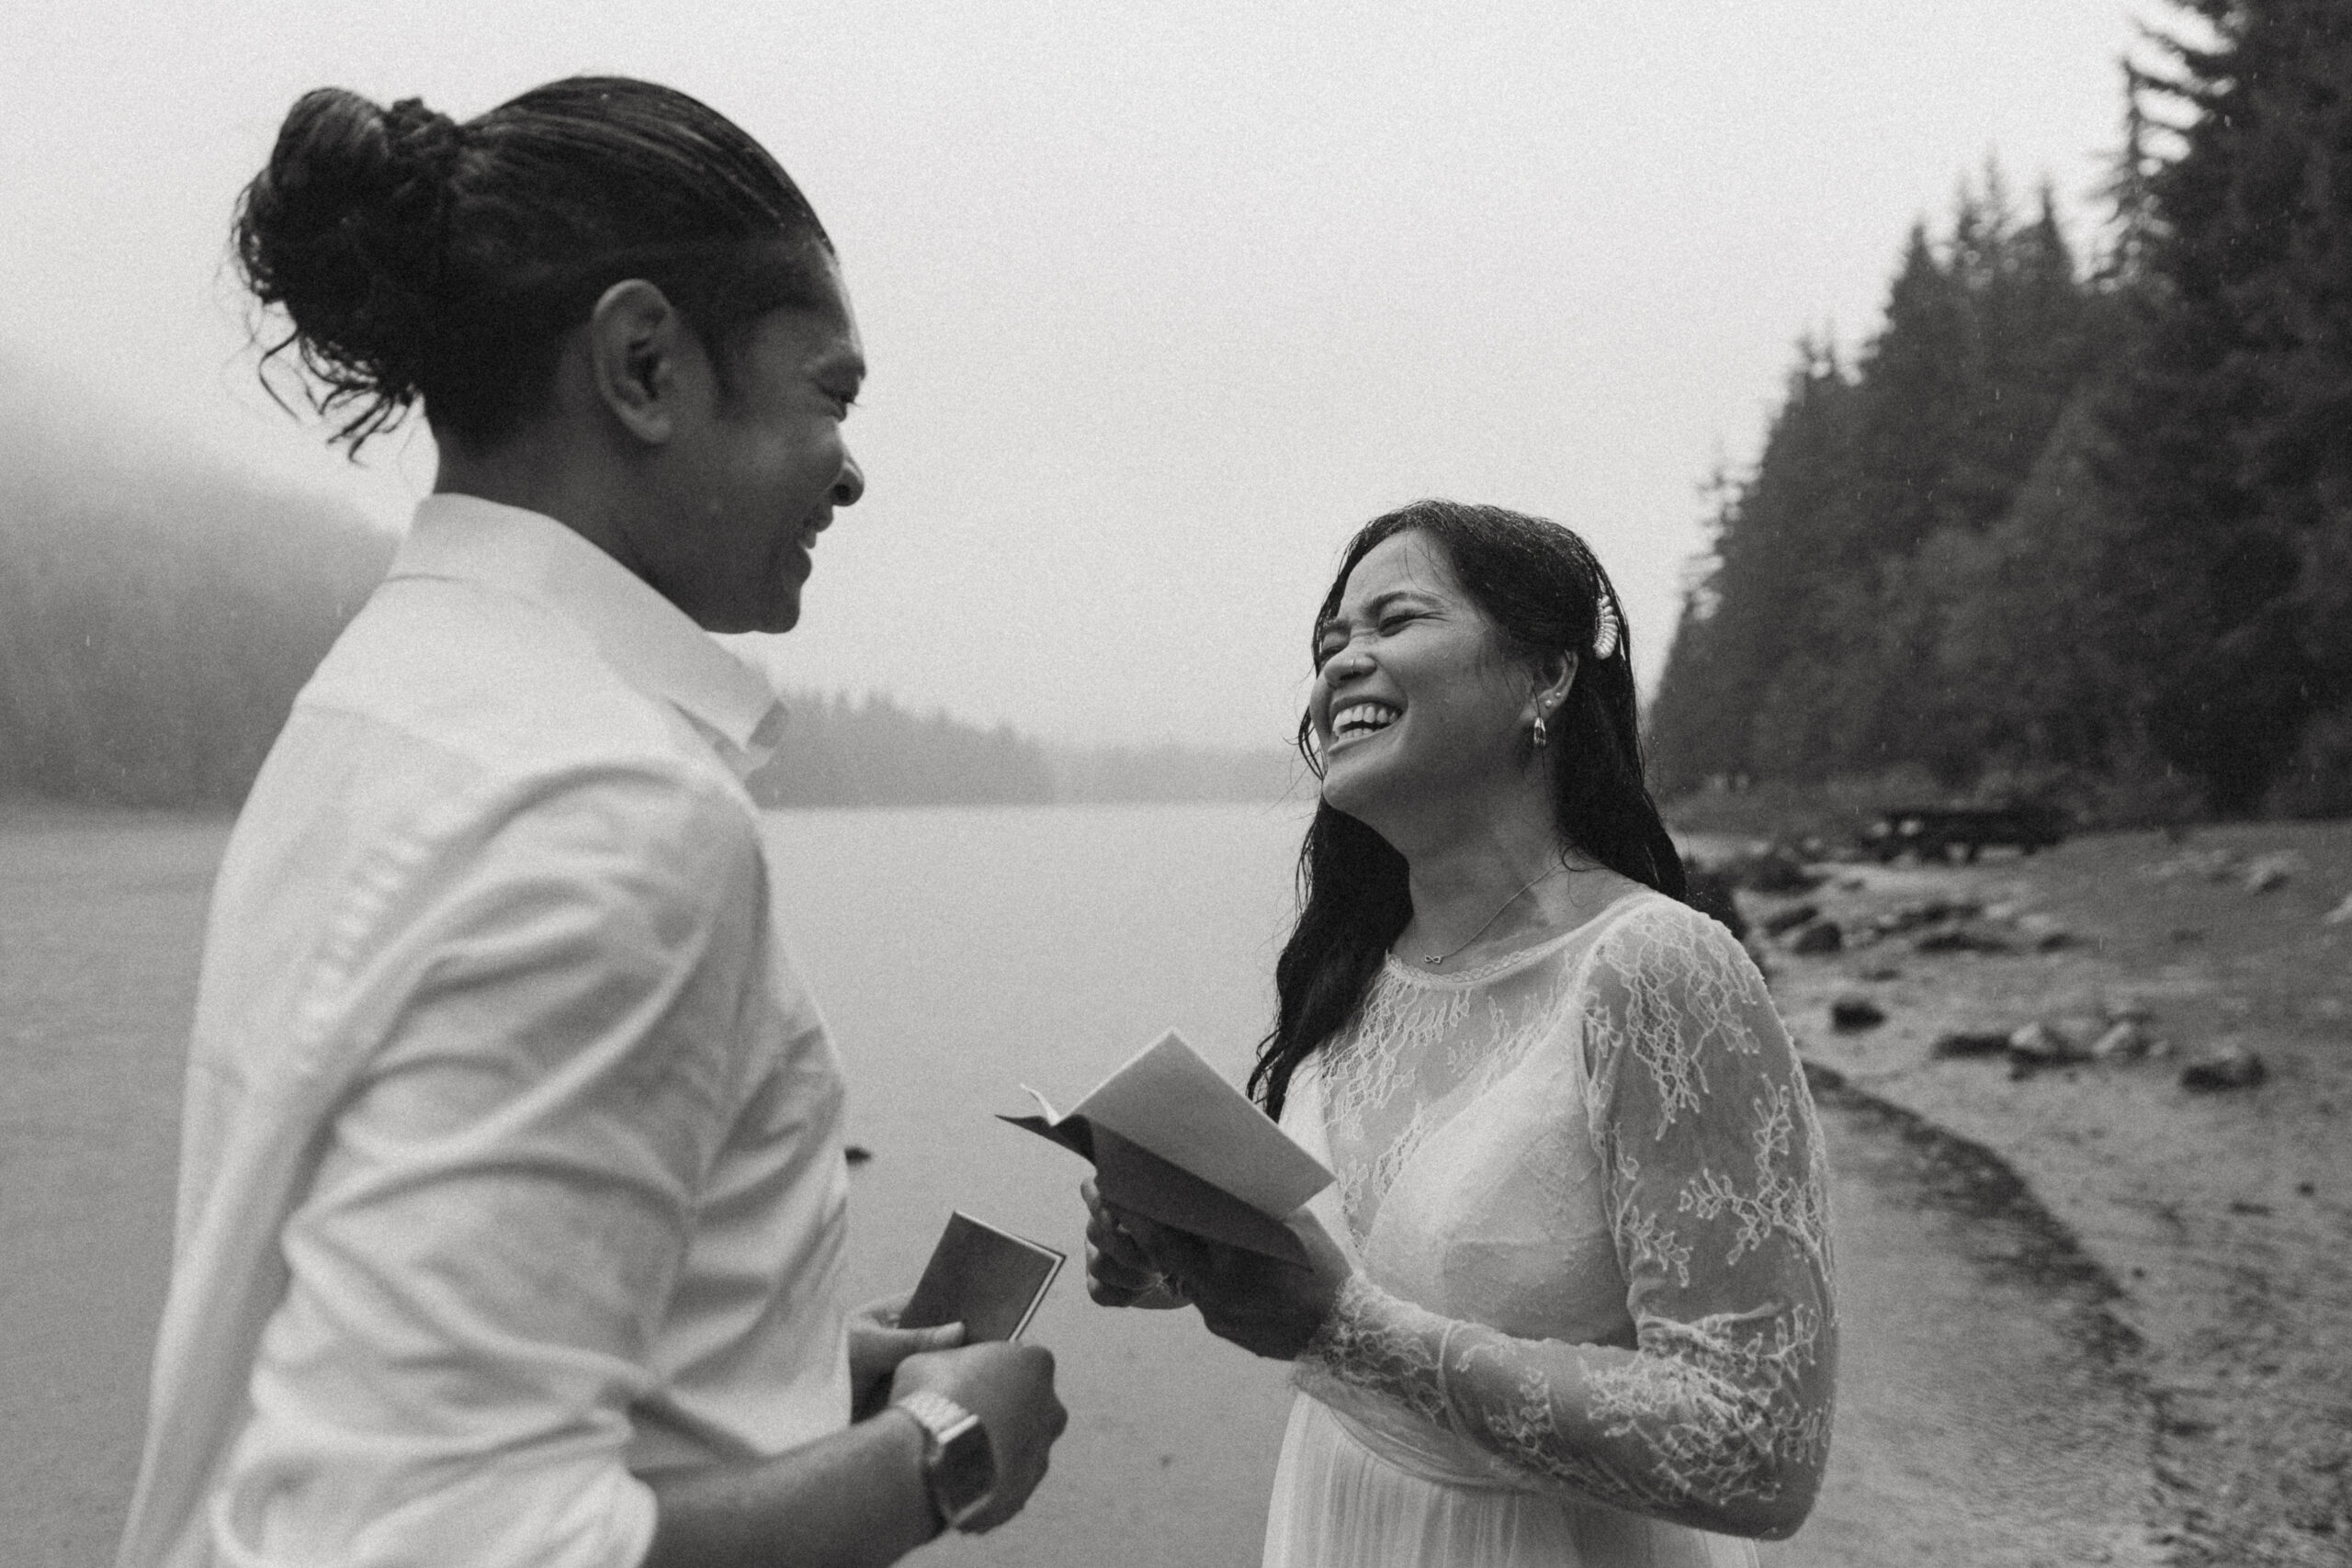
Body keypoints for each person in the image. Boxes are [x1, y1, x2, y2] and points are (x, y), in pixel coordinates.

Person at [116, 78, 1067, 1568]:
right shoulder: (608, 804)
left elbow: (373, 1359)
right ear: (642, 365)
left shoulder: (387, 699)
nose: (856, 467)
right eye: (831, 393)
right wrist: (937, 1457)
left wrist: (785, 1379)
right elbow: (428, 1540)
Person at [1084, 501, 1836, 1567]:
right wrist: (1184, 1257)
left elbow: (1759, 1445)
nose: (1344, 662)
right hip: (1339, 1525)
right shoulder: (1353, 977)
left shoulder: (1658, 972)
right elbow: (1357, 1265)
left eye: (1393, 622)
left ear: (1546, 675)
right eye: (1328, 644)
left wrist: (1338, 1328)